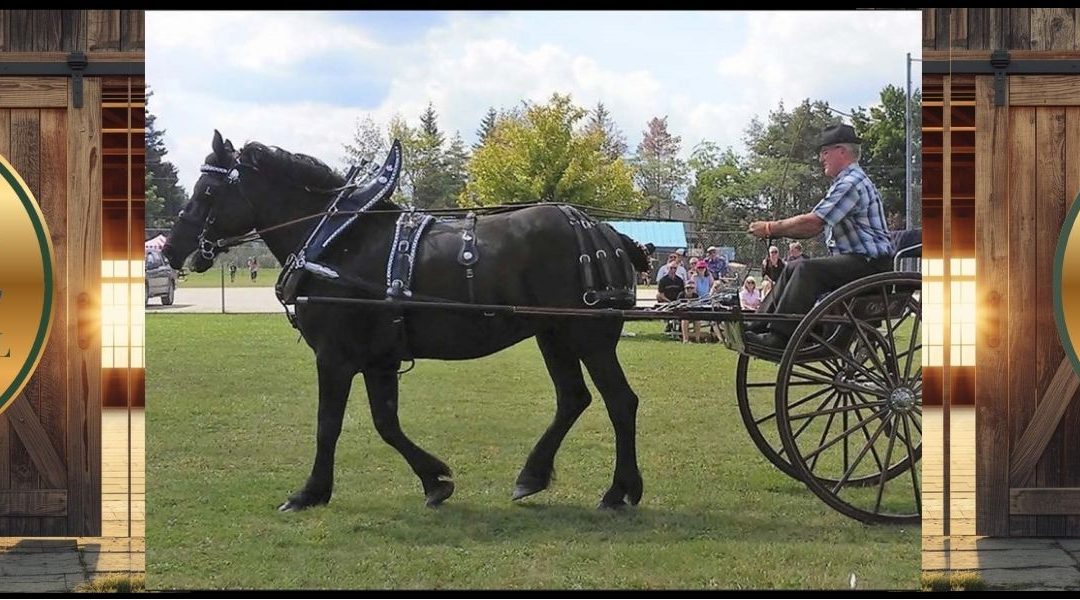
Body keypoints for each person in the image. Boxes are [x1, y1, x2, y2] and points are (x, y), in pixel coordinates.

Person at [745, 124, 894, 349]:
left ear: (842, 151)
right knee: (793, 267)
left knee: (806, 269)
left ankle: (781, 337)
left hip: (870, 266)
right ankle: (757, 326)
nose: (820, 158)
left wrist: (770, 228)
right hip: (860, 263)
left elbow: (813, 224)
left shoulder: (851, 183)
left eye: (825, 152)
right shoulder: (845, 182)